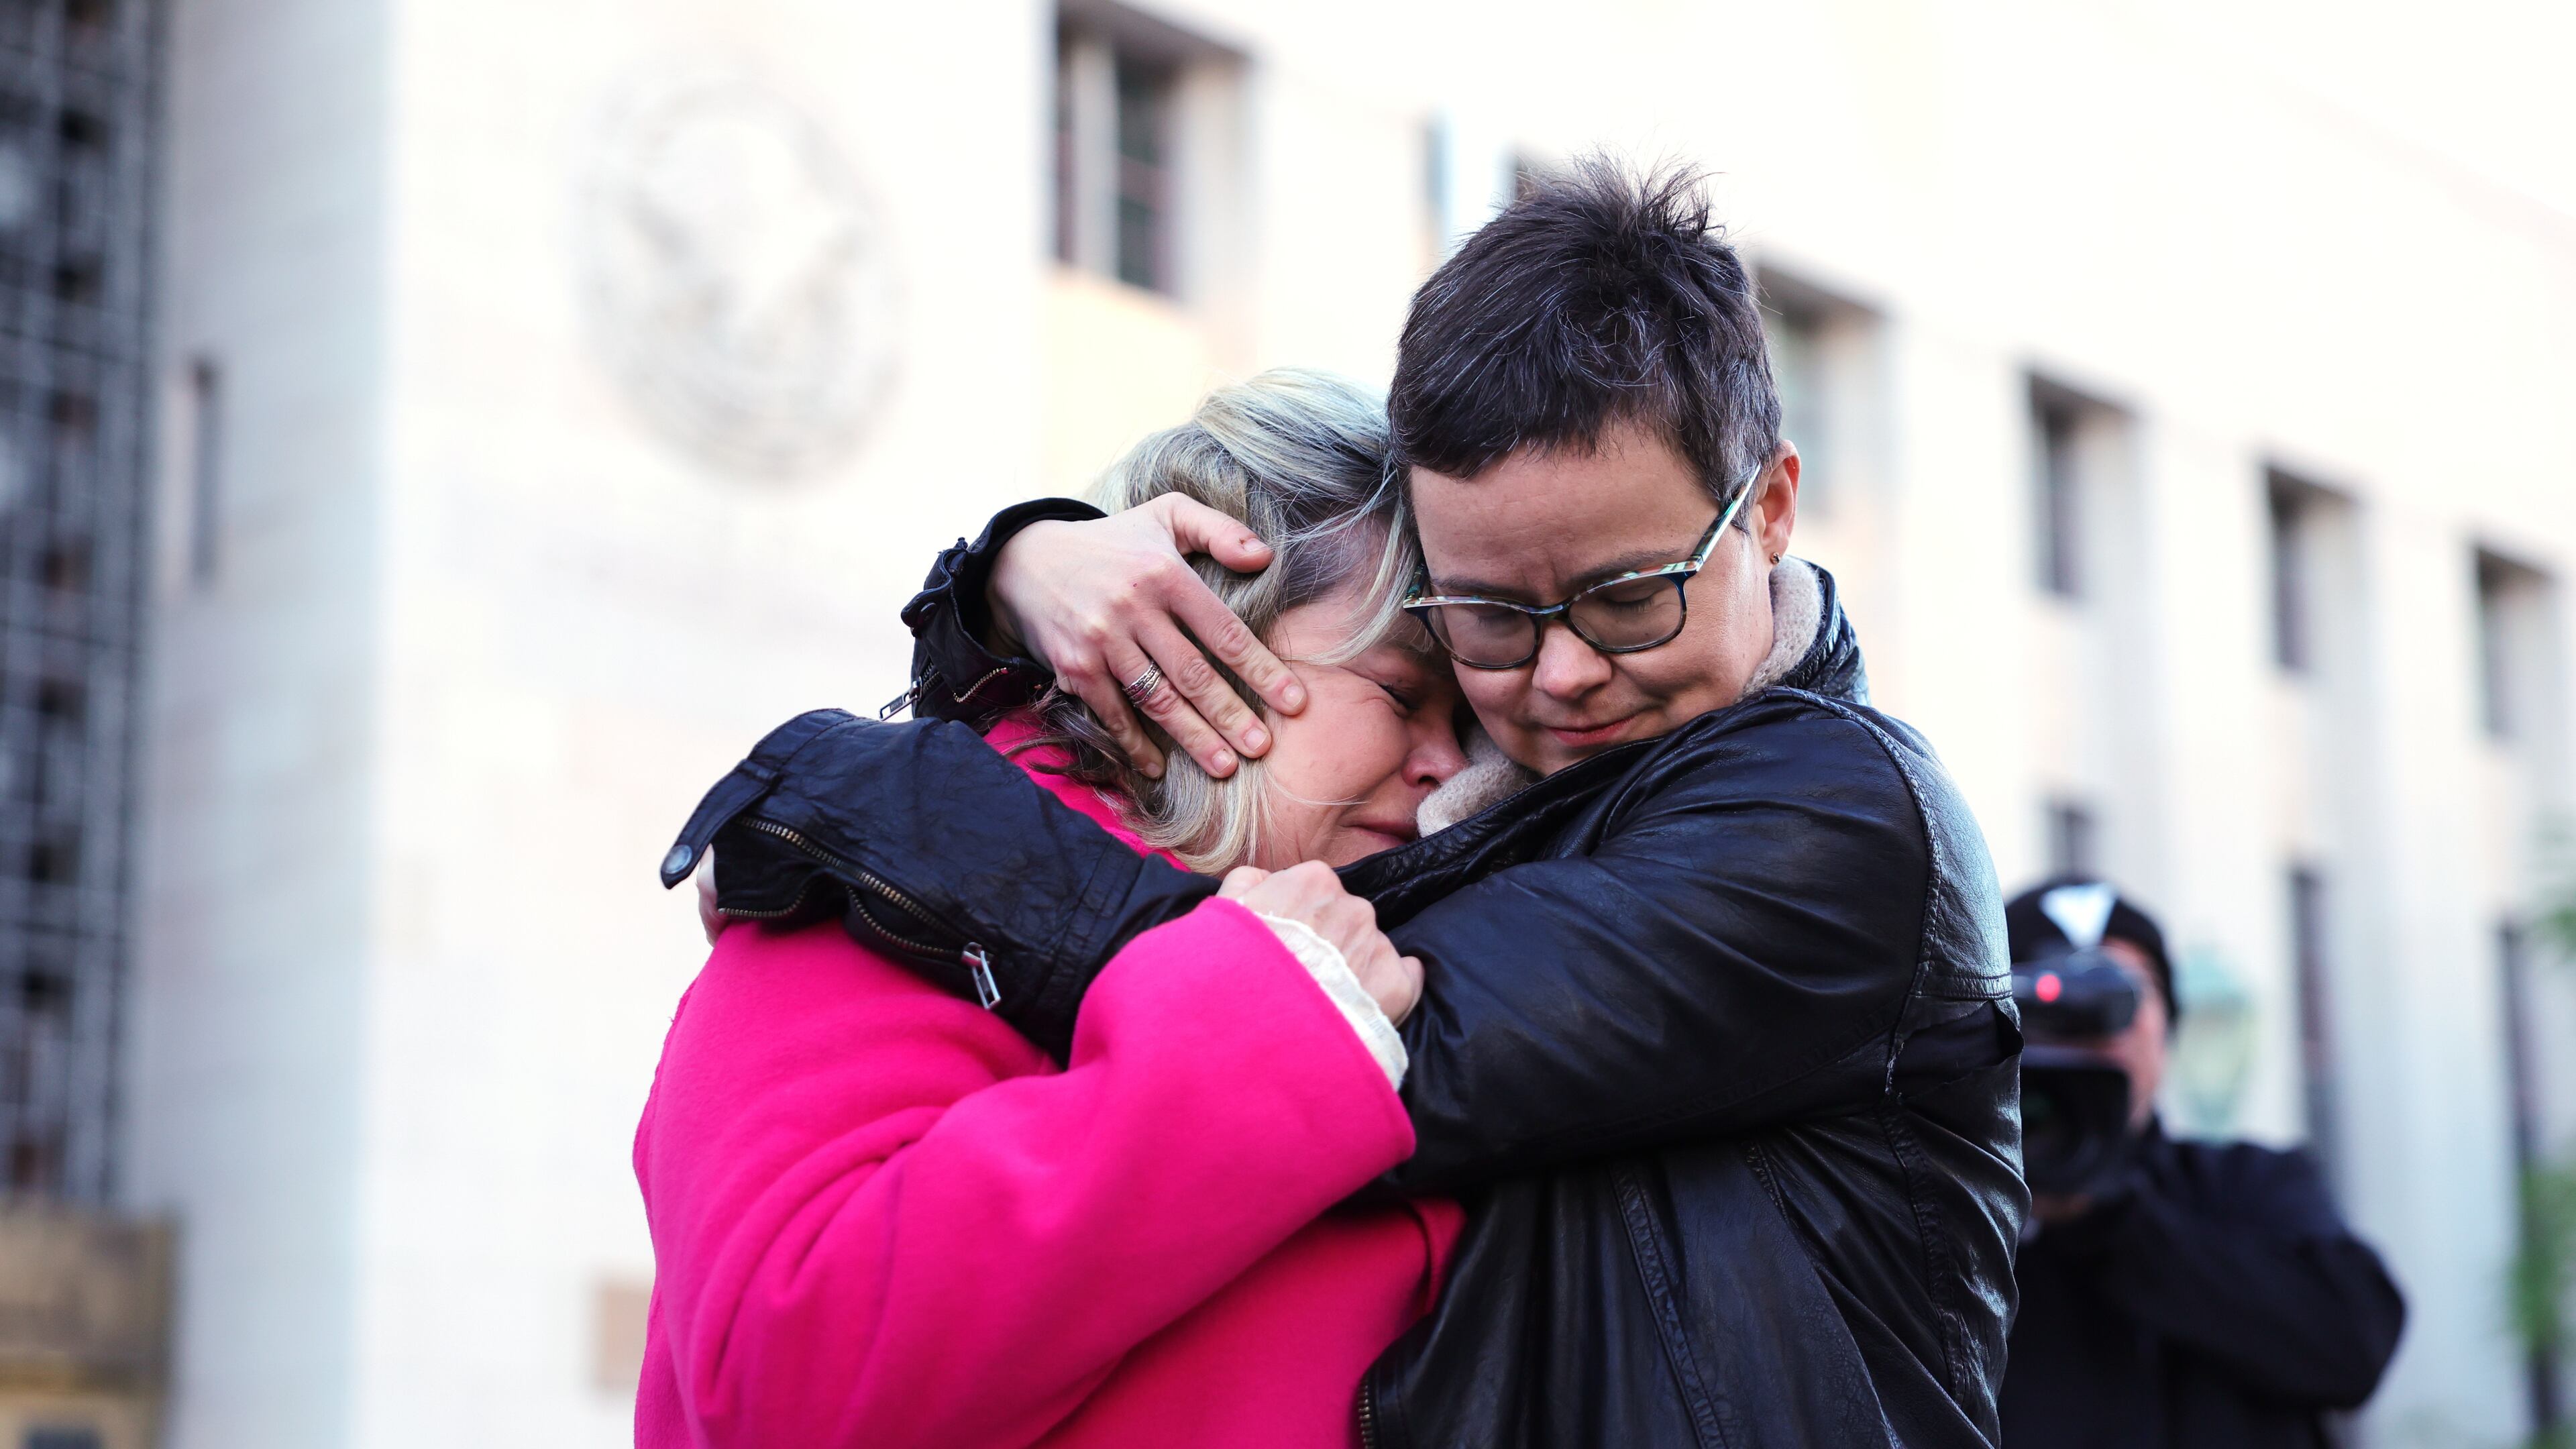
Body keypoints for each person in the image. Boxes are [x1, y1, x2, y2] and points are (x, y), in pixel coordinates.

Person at [731, 159, 2026, 1447]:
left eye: (1631, 596)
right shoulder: (1536, 794)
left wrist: (871, 796)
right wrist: (1012, 588)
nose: (1564, 674)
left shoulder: (1838, 819)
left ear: (1775, 508)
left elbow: (1344, 1015)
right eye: (1489, 621)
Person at [635, 370, 1477, 1448]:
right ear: (1201, 631)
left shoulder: (1392, 943)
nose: (1449, 766)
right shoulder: (899, 867)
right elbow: (780, 1388)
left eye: (1472, 724)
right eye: (1405, 695)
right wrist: (1268, 1030)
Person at [2000, 877, 2406, 1449]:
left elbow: (2353, 1344)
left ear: (2169, 1027)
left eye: (2125, 995)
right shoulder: (1954, 1205)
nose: (2096, 1031)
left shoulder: (2249, 1185)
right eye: (2060, 1001)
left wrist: (2112, 1222)